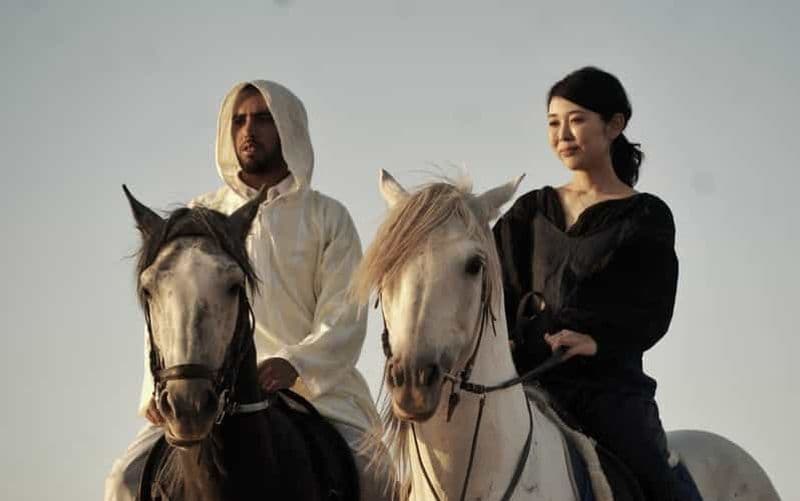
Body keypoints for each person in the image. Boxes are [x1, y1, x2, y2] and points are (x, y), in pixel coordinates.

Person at [105, 80, 389, 500]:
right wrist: (155, 387)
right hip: (204, 388)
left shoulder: (328, 217)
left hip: (316, 392)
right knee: (123, 483)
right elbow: (166, 313)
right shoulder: (203, 217)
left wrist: (294, 364)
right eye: (238, 120)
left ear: (289, 127)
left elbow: (345, 314)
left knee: (378, 476)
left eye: (261, 118)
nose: (247, 130)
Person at [493, 67, 680, 501]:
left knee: (657, 481)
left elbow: (653, 307)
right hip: (524, 382)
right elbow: (492, 288)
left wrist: (597, 341)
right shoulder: (529, 211)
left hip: (607, 388)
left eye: (576, 120)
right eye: (554, 123)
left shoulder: (645, 216)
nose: (563, 134)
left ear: (615, 125)